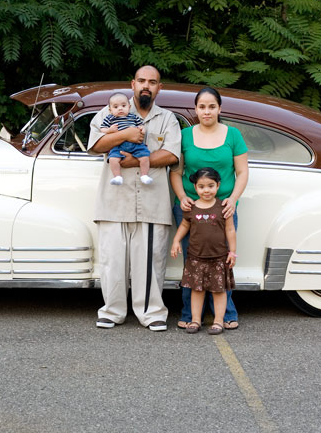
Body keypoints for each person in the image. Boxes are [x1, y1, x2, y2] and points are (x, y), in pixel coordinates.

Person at [87, 66, 182, 331]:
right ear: (133, 83)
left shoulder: (167, 119)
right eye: (141, 80)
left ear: (158, 88)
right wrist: (126, 135)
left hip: (152, 201)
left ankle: (152, 313)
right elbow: (96, 145)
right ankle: (112, 311)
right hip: (114, 201)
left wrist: (132, 162)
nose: (146, 86)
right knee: (112, 260)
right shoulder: (111, 109)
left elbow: (172, 154)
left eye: (152, 82)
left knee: (150, 261)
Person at [170, 87, 248, 330]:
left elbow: (243, 172)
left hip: (223, 208)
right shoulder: (184, 135)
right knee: (192, 261)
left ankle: (224, 314)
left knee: (222, 261)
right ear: (196, 109)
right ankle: (189, 312)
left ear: (219, 108)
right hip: (190, 209)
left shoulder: (233, 135)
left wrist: (233, 199)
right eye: (202, 106)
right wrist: (182, 196)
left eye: (211, 106)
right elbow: (176, 171)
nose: (207, 111)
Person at [170, 167, 237, 335]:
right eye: (201, 186)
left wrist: (232, 252)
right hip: (196, 258)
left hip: (218, 258)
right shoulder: (191, 208)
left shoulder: (223, 206)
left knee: (219, 290)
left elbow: (230, 230)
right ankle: (195, 320)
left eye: (210, 185)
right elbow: (185, 225)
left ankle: (218, 321)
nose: (206, 190)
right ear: (195, 187)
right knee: (196, 289)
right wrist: (176, 241)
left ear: (218, 185)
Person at [100, 92, 153, 185]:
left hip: (136, 144)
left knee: (145, 157)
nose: (120, 108)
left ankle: (144, 175)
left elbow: (140, 125)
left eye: (123, 105)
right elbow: (102, 129)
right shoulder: (110, 118)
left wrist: (142, 129)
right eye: (116, 107)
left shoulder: (133, 117)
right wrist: (109, 130)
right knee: (113, 159)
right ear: (110, 110)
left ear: (129, 106)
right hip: (118, 145)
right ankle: (117, 176)